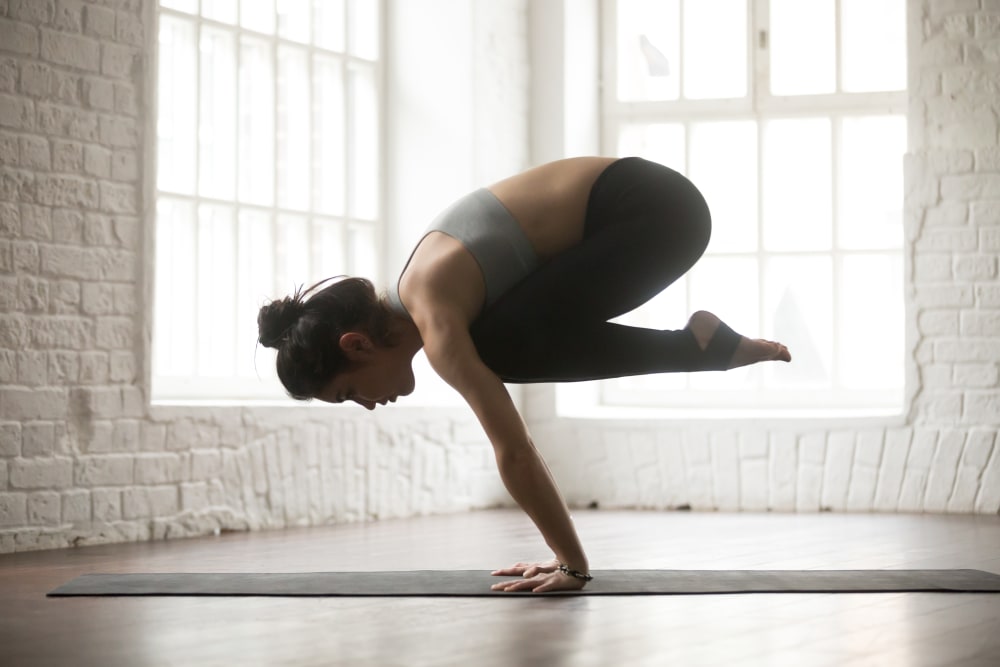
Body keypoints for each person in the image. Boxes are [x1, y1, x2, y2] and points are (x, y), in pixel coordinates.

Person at [257, 157, 791, 593]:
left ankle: (698, 348)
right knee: (500, 339)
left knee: (501, 347)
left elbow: (513, 449)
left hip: (655, 212)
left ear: (357, 343)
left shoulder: (436, 316)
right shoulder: (427, 291)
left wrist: (572, 565)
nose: (367, 405)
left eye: (350, 393)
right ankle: (703, 345)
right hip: (656, 208)